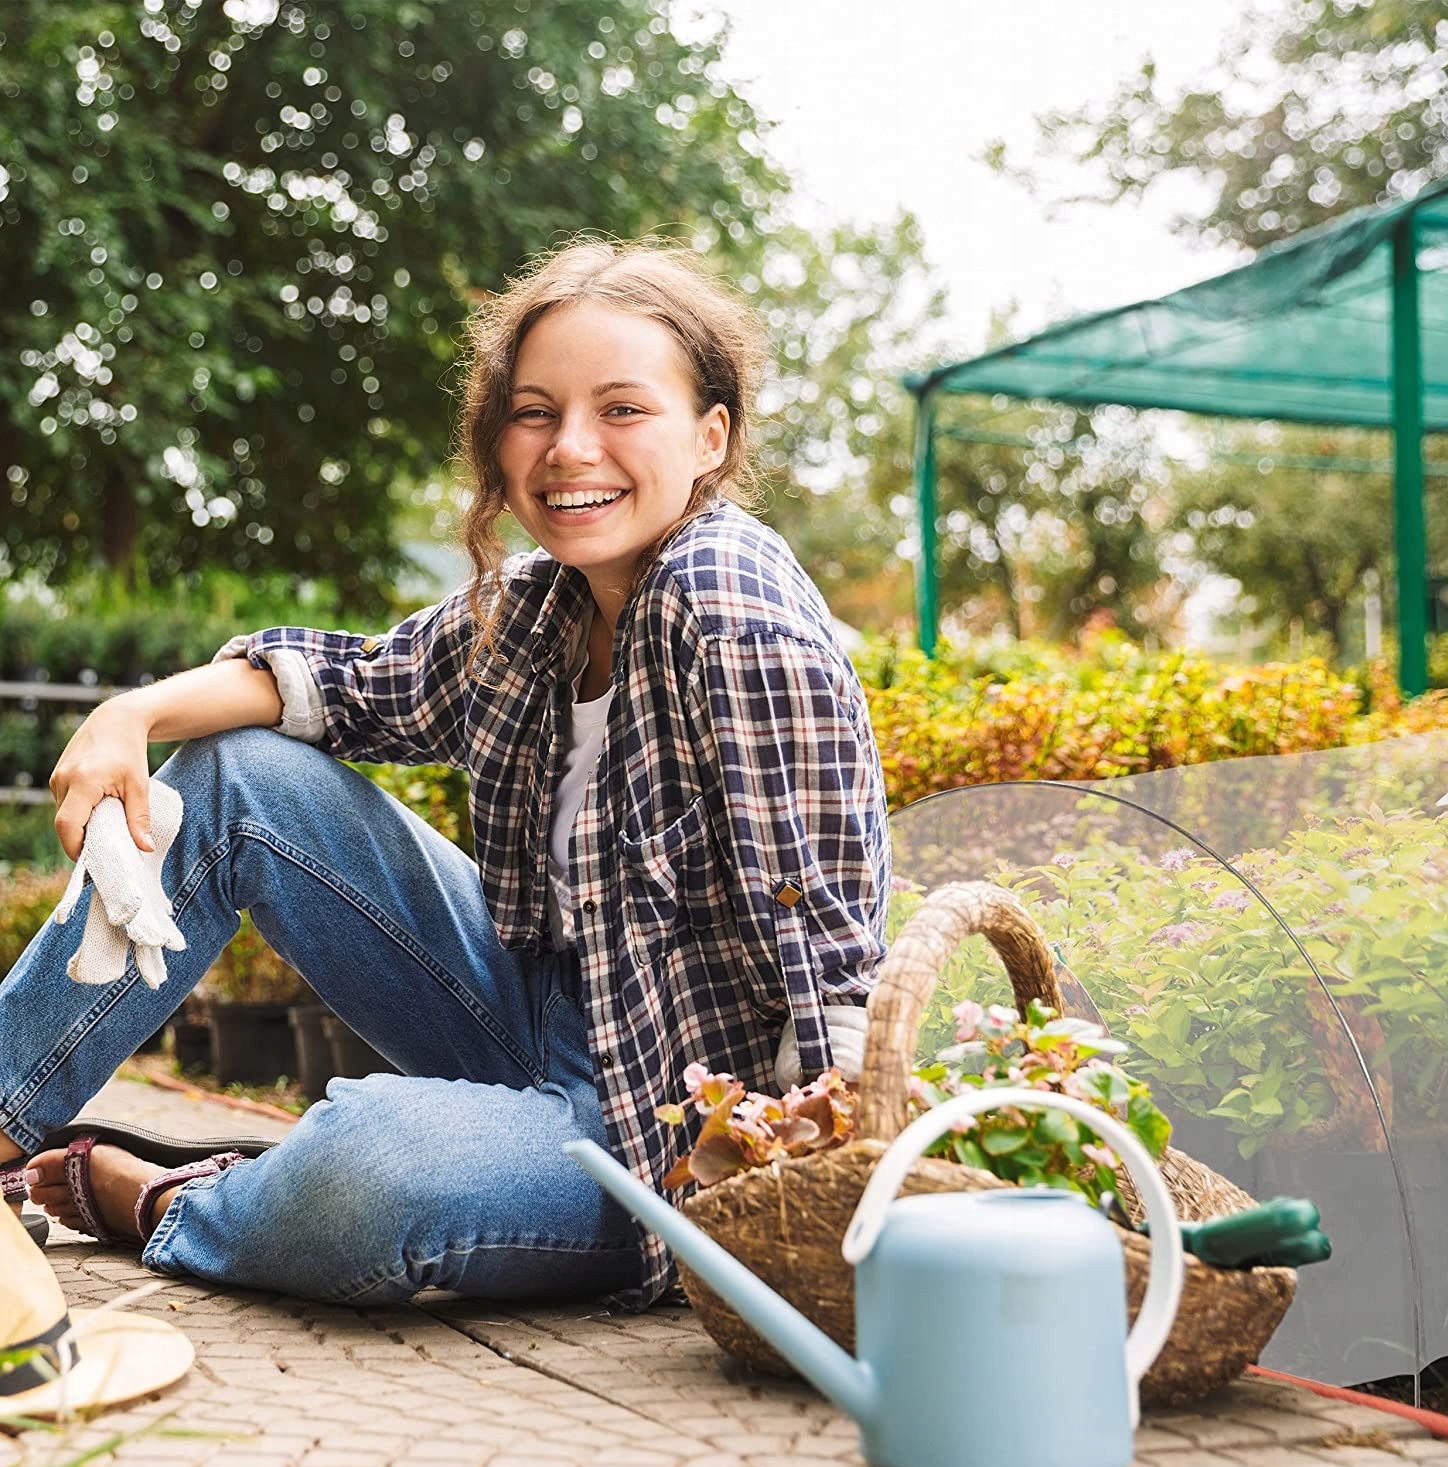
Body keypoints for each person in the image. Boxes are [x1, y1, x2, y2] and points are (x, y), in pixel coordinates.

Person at [0, 239, 891, 1308]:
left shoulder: (729, 601)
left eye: (621, 410)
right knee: (235, 775)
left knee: (379, 1164)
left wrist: (821, 1204)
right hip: (539, 1010)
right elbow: (339, 683)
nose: (570, 448)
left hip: (664, 1129)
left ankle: (168, 1202)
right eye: (534, 412)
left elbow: (827, 949)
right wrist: (126, 714)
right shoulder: (537, 608)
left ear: (710, 439)